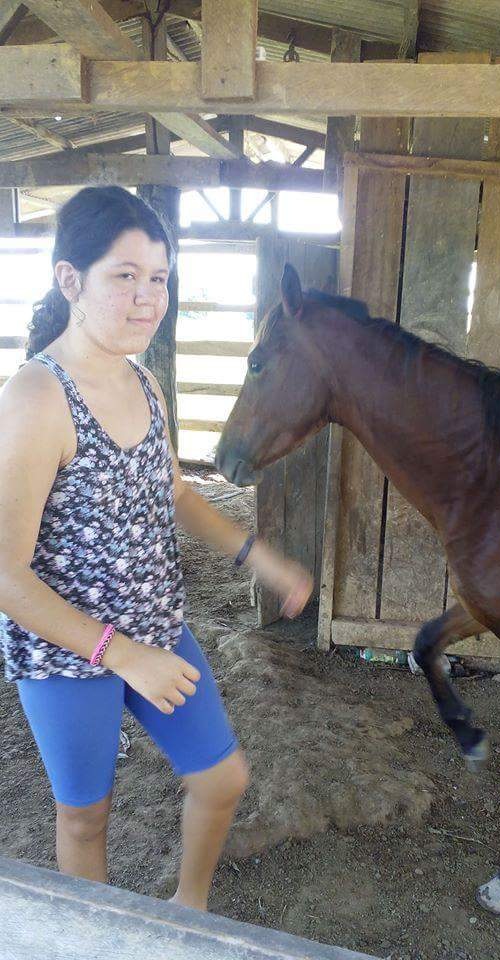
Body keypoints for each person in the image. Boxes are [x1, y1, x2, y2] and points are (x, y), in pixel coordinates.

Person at [0, 186, 313, 910]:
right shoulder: (35, 399)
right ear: (70, 280)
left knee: (222, 778)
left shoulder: (144, 382)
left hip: (156, 628)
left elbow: (173, 493)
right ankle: (99, 941)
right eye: (125, 275)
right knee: (86, 817)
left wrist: (256, 555)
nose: (148, 297)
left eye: (160, 277)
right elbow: (6, 574)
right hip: (68, 652)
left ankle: (186, 911)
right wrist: (118, 653)